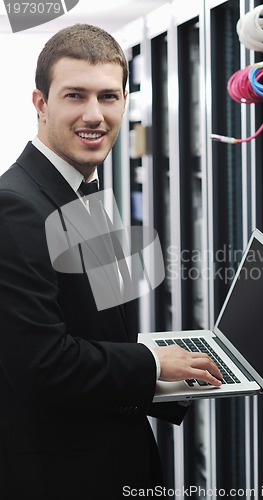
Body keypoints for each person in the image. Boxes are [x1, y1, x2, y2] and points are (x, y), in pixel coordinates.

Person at [0, 24, 222, 499]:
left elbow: (101, 338)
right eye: (75, 96)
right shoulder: (15, 205)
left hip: (103, 458)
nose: (94, 115)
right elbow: (41, 364)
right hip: (62, 478)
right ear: (40, 104)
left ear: (125, 100)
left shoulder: (80, 190)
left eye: (108, 97)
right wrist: (150, 362)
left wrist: (171, 373)